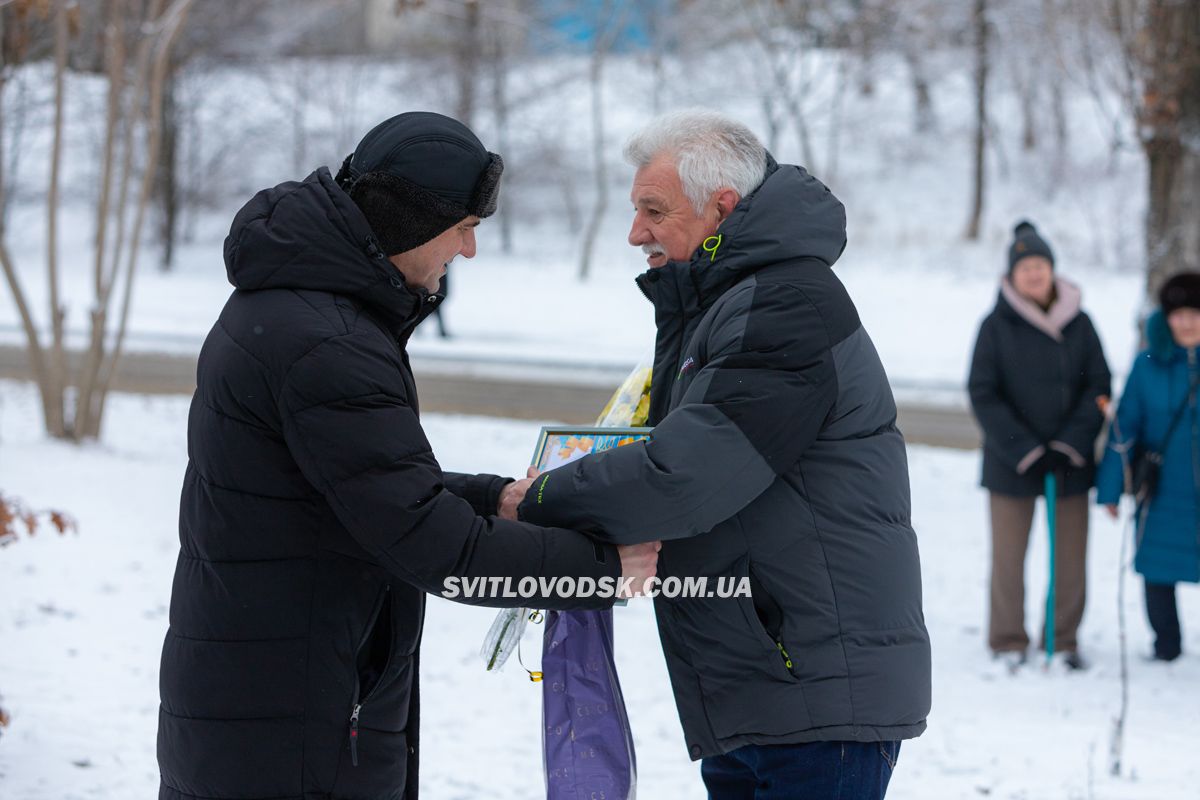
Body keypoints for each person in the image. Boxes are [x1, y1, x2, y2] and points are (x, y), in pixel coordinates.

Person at [156, 112, 658, 800]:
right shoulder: (327, 341)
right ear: (407, 220)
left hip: (269, 697)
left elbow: (351, 489)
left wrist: (493, 499)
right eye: (464, 227)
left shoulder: (301, 307)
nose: (469, 250)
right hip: (294, 720)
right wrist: (604, 570)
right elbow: (429, 545)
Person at [517, 110, 931, 800]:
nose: (635, 233)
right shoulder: (727, 302)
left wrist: (539, 497)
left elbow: (683, 478)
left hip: (808, 692)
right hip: (765, 684)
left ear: (721, 207)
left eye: (653, 210)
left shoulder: (783, 306)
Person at [967, 221, 1111, 672]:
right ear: (1012, 275)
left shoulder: (1081, 323)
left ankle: (1063, 638)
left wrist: (1069, 444)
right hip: (1012, 463)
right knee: (1008, 561)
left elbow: (1100, 387)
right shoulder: (995, 326)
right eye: (1025, 266)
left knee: (1071, 559)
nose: (1034, 273)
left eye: (1040, 265)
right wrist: (1027, 448)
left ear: (1052, 270)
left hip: (1070, 462)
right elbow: (983, 392)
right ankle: (1008, 640)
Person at [1097, 272, 1200, 662]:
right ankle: (1166, 646)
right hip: (1164, 488)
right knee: (1158, 567)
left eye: (1195, 312)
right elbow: (1126, 428)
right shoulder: (1148, 364)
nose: (1187, 322)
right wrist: (1110, 488)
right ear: (1167, 317)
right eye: (1179, 314)